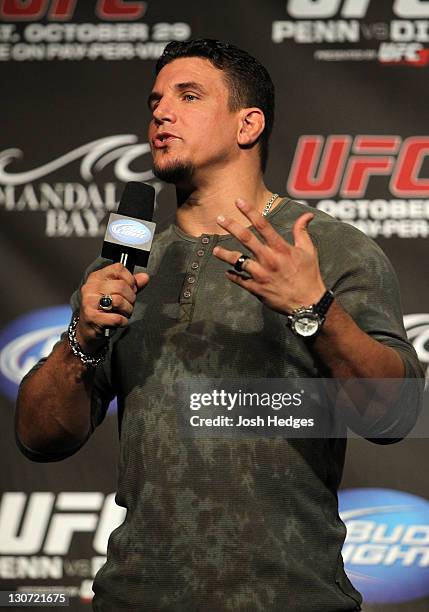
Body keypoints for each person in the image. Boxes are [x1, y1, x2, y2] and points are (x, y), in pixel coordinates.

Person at [16, 39, 423, 611]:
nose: (161, 112)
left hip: (289, 595)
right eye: (156, 99)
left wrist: (314, 307)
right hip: (136, 595)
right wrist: (80, 340)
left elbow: (397, 413)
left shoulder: (328, 250)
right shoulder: (124, 270)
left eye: (188, 96)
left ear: (247, 124)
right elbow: (39, 438)